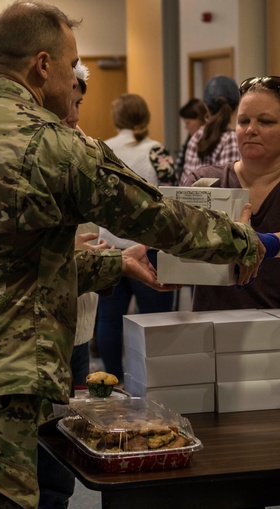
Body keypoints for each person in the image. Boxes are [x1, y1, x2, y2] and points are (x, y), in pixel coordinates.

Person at [0, 1, 268, 509]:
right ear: (43, 65)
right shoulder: (50, 144)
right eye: (71, 62)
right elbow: (155, 215)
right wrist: (240, 241)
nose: (74, 74)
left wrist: (114, 264)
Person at [187, 76, 280, 310]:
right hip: (215, 330)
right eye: (243, 121)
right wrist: (148, 246)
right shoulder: (204, 181)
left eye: (265, 122)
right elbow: (178, 226)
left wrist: (263, 244)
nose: (250, 130)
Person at [37, 60, 96, 509]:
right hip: (37, 330)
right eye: (69, 101)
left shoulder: (86, 149)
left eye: (79, 102)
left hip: (78, 325)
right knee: (36, 452)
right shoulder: (33, 153)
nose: (74, 114)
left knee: (63, 448)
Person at [94, 93, 178, 381]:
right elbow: (173, 200)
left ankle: (112, 382)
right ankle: (154, 380)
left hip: (109, 247)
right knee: (156, 321)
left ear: (117, 118)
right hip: (149, 248)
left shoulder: (101, 148)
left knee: (108, 318)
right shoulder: (158, 152)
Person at [180, 76, 241, 185]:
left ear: (205, 107)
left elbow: (185, 182)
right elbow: (228, 185)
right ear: (238, 106)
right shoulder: (232, 139)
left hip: (190, 201)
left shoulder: (196, 137)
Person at [175, 98, 208, 182]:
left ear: (201, 119)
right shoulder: (189, 143)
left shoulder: (210, 142)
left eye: (188, 123)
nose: (186, 127)